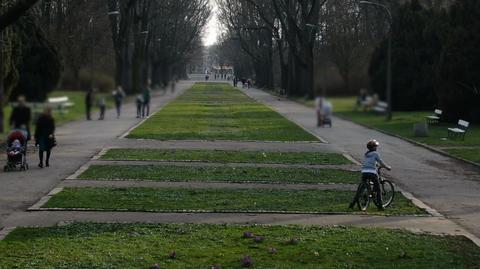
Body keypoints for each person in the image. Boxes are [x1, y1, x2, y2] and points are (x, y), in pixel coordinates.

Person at [349, 140, 392, 211]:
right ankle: (380, 206)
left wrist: (376, 165)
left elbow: (369, 162)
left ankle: (352, 204)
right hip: (372, 172)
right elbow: (381, 162)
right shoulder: (375, 154)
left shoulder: (366, 154)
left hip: (364, 172)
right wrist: (387, 167)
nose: (377, 148)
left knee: (360, 189)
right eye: (376, 146)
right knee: (378, 189)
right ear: (374, 147)